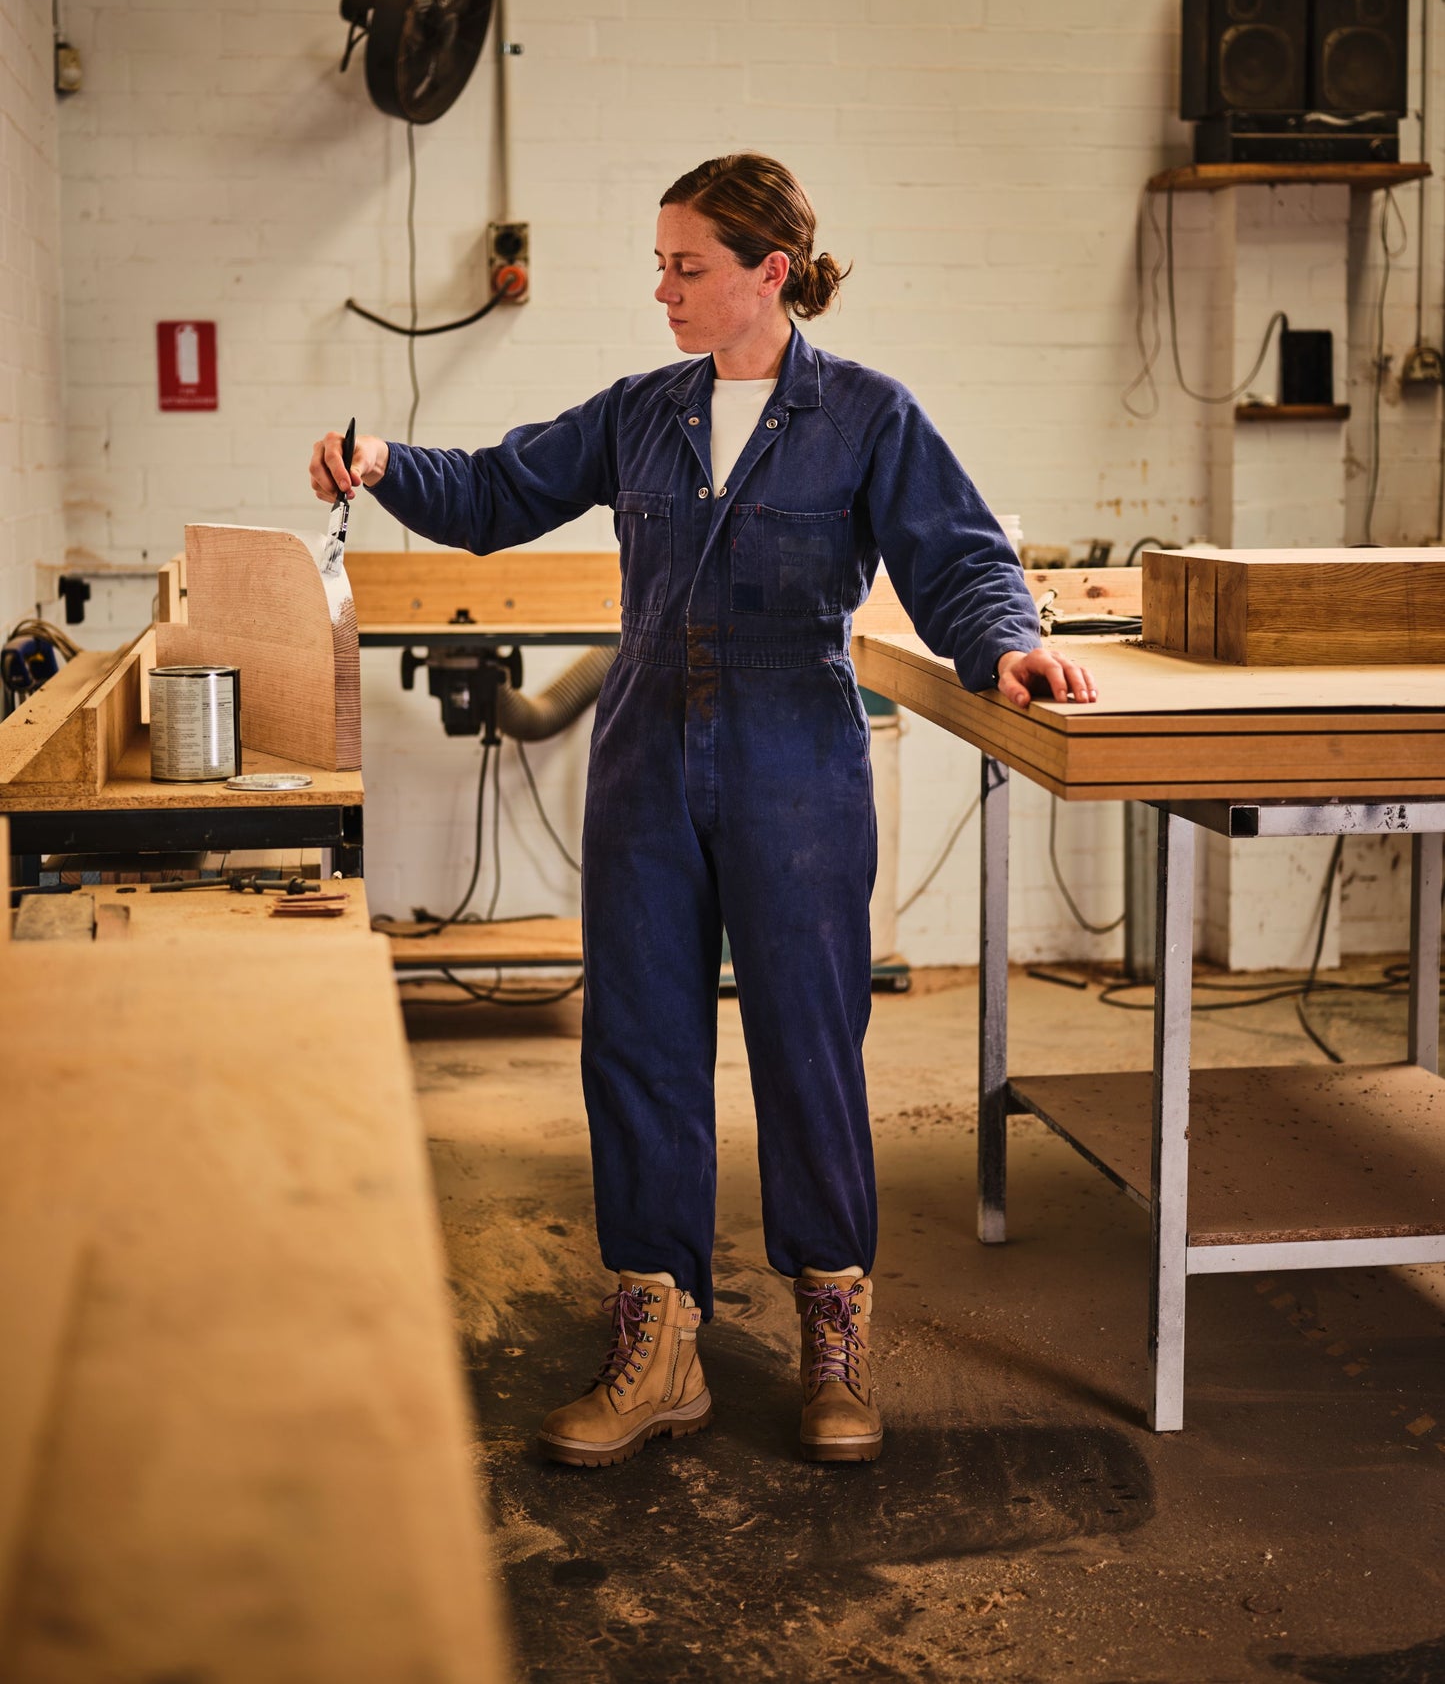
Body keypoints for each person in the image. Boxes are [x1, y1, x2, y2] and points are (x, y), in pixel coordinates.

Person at [310, 152, 1097, 1470]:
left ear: (766, 273)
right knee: (639, 1049)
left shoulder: (865, 415)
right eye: (661, 262)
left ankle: (831, 1336)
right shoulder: (642, 414)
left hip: (796, 770)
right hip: (646, 772)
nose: (661, 288)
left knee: (805, 1050)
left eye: (688, 265)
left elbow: (956, 555)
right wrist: (382, 459)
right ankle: (656, 1345)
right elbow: (503, 493)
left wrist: (1003, 642)